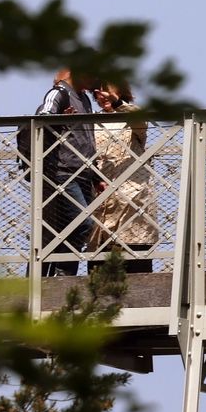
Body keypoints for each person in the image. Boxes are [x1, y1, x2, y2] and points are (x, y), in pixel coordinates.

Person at [35, 69, 101, 275]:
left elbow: (88, 139)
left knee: (73, 227)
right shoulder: (59, 93)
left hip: (83, 173)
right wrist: (58, 120)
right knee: (84, 223)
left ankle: (64, 275)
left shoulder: (84, 100)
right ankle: (62, 274)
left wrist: (96, 175)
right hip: (64, 172)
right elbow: (42, 119)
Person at [90, 80, 156, 273]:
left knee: (136, 259)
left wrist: (117, 102)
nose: (103, 97)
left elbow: (141, 122)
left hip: (132, 199)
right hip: (101, 199)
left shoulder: (132, 115)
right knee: (99, 263)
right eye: (99, 93)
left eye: (108, 92)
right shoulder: (91, 120)